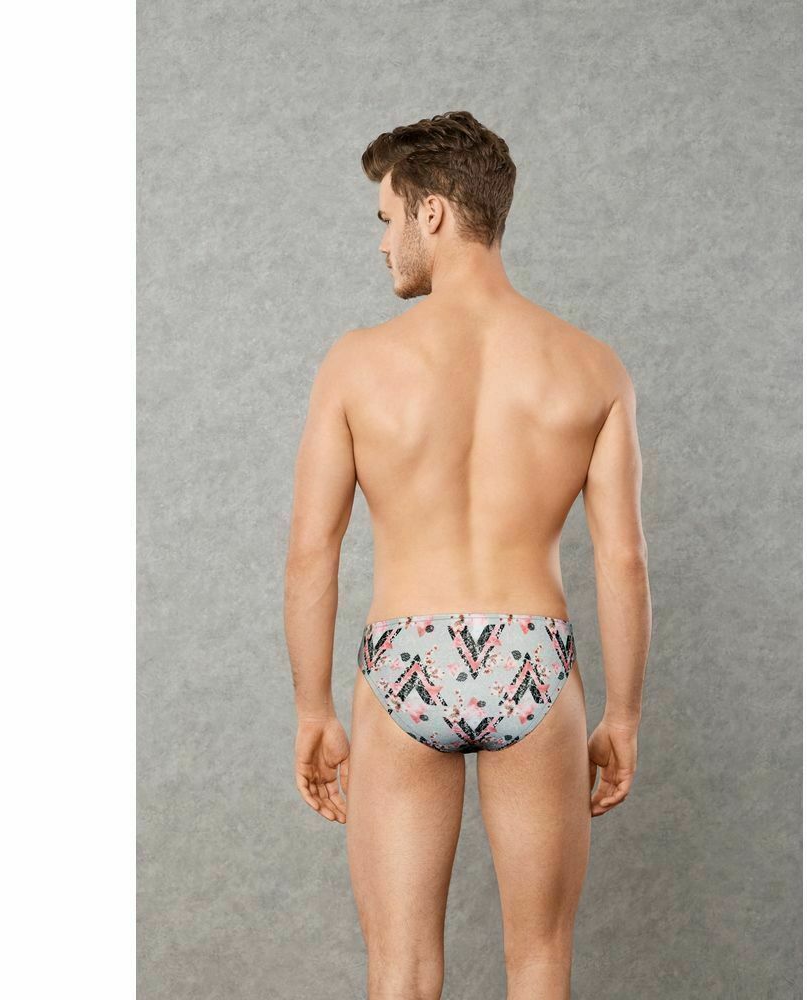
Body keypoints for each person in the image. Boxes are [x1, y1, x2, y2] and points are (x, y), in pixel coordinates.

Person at [284, 111, 652, 1000]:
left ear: (434, 212)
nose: (383, 243)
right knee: (540, 962)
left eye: (387, 218)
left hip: (406, 659)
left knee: (401, 970)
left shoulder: (357, 364)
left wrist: (313, 709)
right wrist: (624, 713)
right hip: (533, 660)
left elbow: (312, 552)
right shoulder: (591, 366)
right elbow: (623, 560)